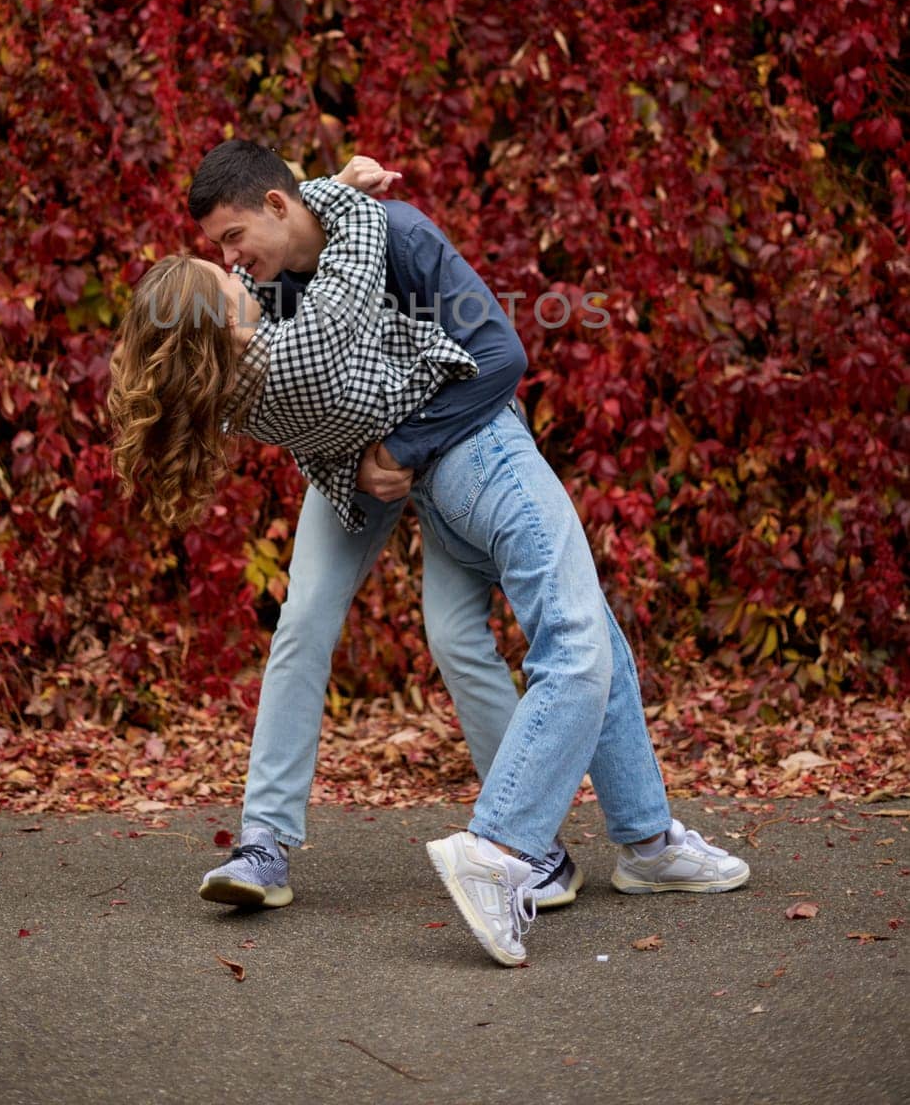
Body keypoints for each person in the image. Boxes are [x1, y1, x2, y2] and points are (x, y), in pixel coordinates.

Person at [110, 147, 749, 966]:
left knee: (458, 633)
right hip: (351, 468)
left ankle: (542, 845)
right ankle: (268, 843)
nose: (231, 260)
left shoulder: (398, 237)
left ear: (276, 204)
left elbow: (504, 357)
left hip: (429, 445)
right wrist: (335, 192)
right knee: (305, 618)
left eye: (235, 237)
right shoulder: (270, 291)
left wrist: (406, 447)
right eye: (221, 252)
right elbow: (261, 310)